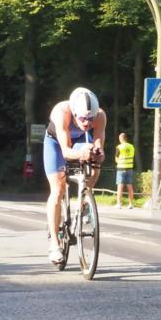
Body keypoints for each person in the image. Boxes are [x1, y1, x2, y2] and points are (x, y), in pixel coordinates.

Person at [44, 88, 106, 262]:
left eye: (90, 119)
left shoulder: (100, 115)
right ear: (73, 112)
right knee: (58, 189)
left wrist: (98, 153)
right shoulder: (61, 111)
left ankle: (84, 200)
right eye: (82, 118)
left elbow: (98, 141)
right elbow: (65, 151)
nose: (87, 123)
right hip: (56, 144)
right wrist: (80, 154)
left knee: (95, 167)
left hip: (80, 142)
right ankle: (54, 244)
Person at [114, 132, 135, 209]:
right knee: (130, 186)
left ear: (121, 139)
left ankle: (119, 204)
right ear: (126, 138)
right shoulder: (132, 147)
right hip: (130, 168)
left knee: (120, 186)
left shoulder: (119, 147)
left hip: (121, 168)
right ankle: (131, 204)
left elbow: (116, 159)